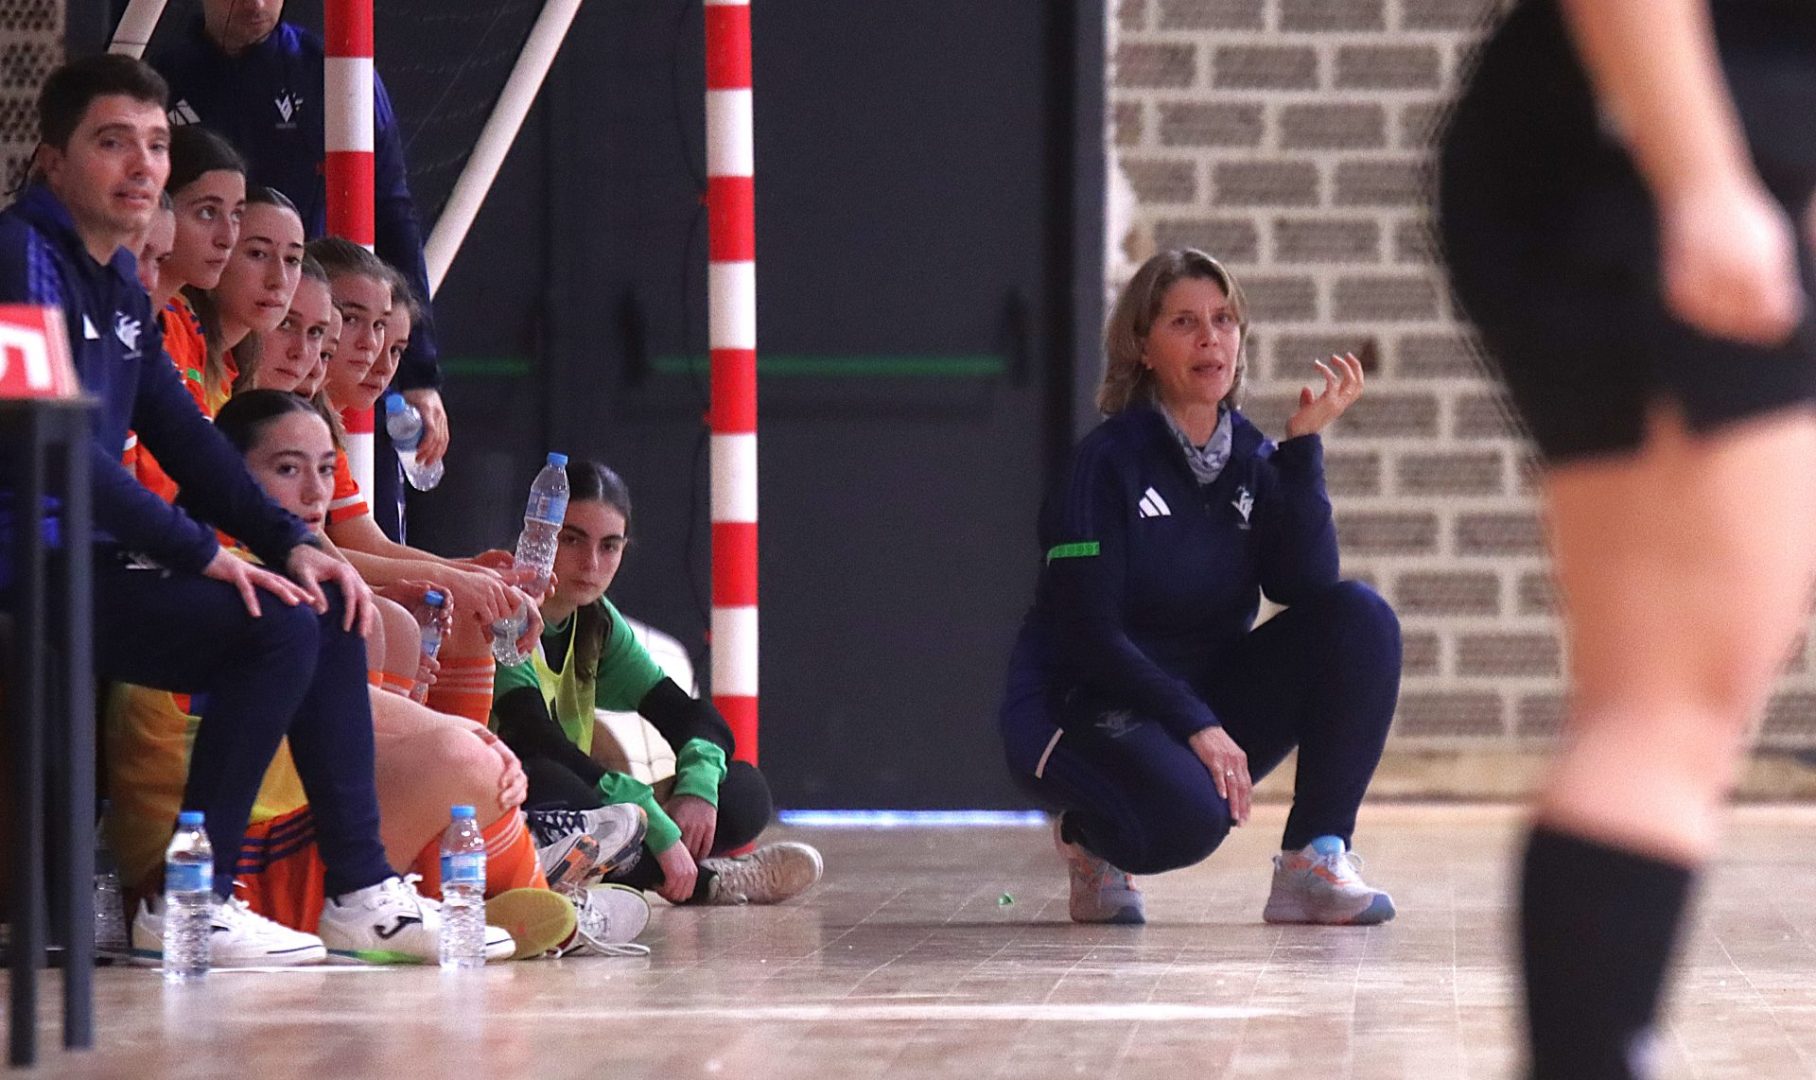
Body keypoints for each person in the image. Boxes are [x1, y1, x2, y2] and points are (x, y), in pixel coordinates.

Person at [0, 53, 472, 967]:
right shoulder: (21, 264)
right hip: (30, 554)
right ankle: (191, 900)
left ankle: (357, 890)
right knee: (274, 627)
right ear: (54, 163)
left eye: (153, 145)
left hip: (91, 559)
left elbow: (193, 446)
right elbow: (52, 456)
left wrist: (295, 543)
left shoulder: (114, 286)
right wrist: (203, 555)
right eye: (113, 143)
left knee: (323, 601)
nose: (142, 166)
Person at [1438, 2, 1816, 1076]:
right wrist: (1697, 176)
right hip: (1655, 161)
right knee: (1661, 711)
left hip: (1707, 158)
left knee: (1682, 709)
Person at [998, 249, 1401, 926]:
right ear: (1142, 347)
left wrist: (1300, 452)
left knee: (1361, 619)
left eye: (1223, 320)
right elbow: (1088, 634)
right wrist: (1199, 726)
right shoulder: (1104, 465)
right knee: (1190, 819)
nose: (1210, 337)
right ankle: (1089, 840)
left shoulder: (1251, 456)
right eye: (1184, 322)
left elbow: (1305, 585)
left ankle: (1313, 860)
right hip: (1080, 707)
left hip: (1193, 699)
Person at [150, 0, 449, 540]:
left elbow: (394, 209)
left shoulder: (330, 72)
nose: (258, 4)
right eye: (257, 251)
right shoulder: (165, 77)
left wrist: (419, 371)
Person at [490, 460, 826, 907]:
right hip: (502, 803)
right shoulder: (505, 606)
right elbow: (533, 739)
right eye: (572, 540)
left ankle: (627, 869)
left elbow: (691, 716)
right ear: (537, 535)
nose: (591, 563)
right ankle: (708, 883)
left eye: (609, 546)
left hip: (584, 805)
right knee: (556, 786)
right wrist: (651, 817)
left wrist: (697, 788)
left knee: (743, 792)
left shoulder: (598, 621)